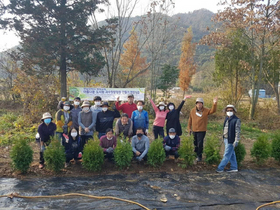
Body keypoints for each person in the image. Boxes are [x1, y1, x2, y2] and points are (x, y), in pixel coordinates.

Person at [188, 97, 218, 161]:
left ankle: (199, 156)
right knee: (195, 143)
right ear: (196, 104)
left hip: (202, 130)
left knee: (200, 143)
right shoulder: (193, 110)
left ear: (202, 104)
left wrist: (214, 103)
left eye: (200, 103)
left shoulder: (206, 110)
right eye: (198, 103)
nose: (199, 105)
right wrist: (189, 128)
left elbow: (213, 110)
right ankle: (195, 154)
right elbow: (190, 120)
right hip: (194, 130)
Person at [216, 105, 241, 173]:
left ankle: (220, 168)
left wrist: (236, 140)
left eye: (231, 110)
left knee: (226, 155)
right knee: (232, 154)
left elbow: (237, 131)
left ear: (234, 111)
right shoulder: (227, 119)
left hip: (231, 140)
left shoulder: (236, 120)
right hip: (226, 139)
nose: (229, 112)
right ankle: (234, 167)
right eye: (228, 110)